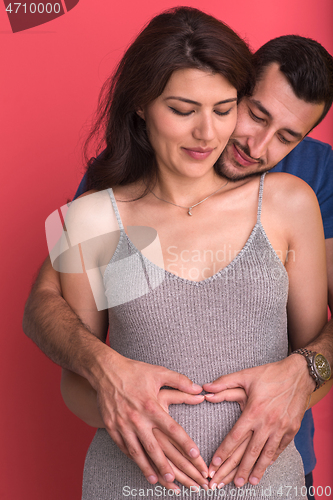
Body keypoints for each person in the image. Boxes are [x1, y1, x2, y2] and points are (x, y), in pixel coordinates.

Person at [22, 7, 333, 498]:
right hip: (130, 486)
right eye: (184, 110)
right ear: (143, 104)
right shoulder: (99, 215)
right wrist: (119, 402)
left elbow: (317, 349)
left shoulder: (291, 201)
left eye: (223, 109)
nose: (209, 134)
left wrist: (304, 377)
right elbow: (71, 361)